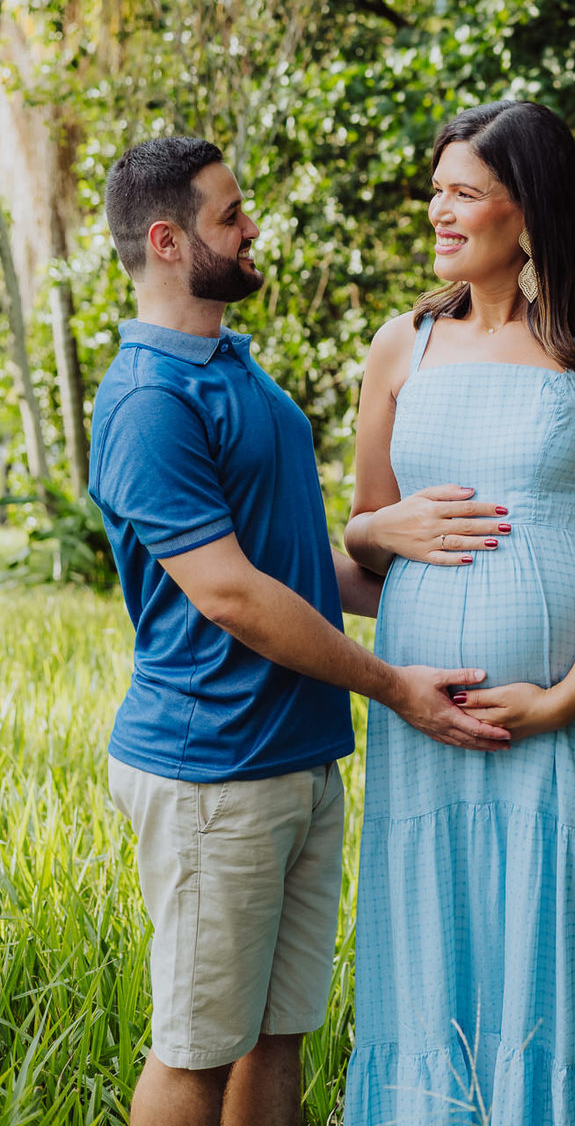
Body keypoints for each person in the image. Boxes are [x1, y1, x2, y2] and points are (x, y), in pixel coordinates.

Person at [90, 136, 509, 1126]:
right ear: (167, 239)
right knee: (196, 1049)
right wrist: (395, 683)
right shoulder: (151, 398)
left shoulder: (234, 370)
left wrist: (398, 550)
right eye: (230, 216)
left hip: (292, 758)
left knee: (277, 1036)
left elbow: (293, 568)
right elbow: (232, 595)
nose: (251, 228)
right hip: (212, 771)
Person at [342, 99, 575, 1126]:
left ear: (530, 212)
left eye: (462, 193)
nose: (437, 214)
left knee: (570, 946)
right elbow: (366, 533)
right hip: (424, 723)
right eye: (435, 192)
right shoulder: (399, 349)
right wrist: (378, 533)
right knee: (443, 937)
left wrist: (566, 695)